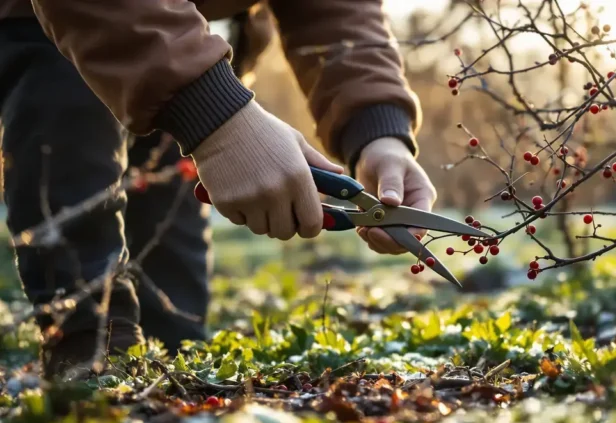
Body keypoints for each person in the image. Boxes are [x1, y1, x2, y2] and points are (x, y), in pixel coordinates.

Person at [0, 0, 436, 378]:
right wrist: (214, 116)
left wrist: (376, 128)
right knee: (94, 334)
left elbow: (334, 9)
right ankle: (84, 373)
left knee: (175, 330)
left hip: (185, 58)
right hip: (63, 35)